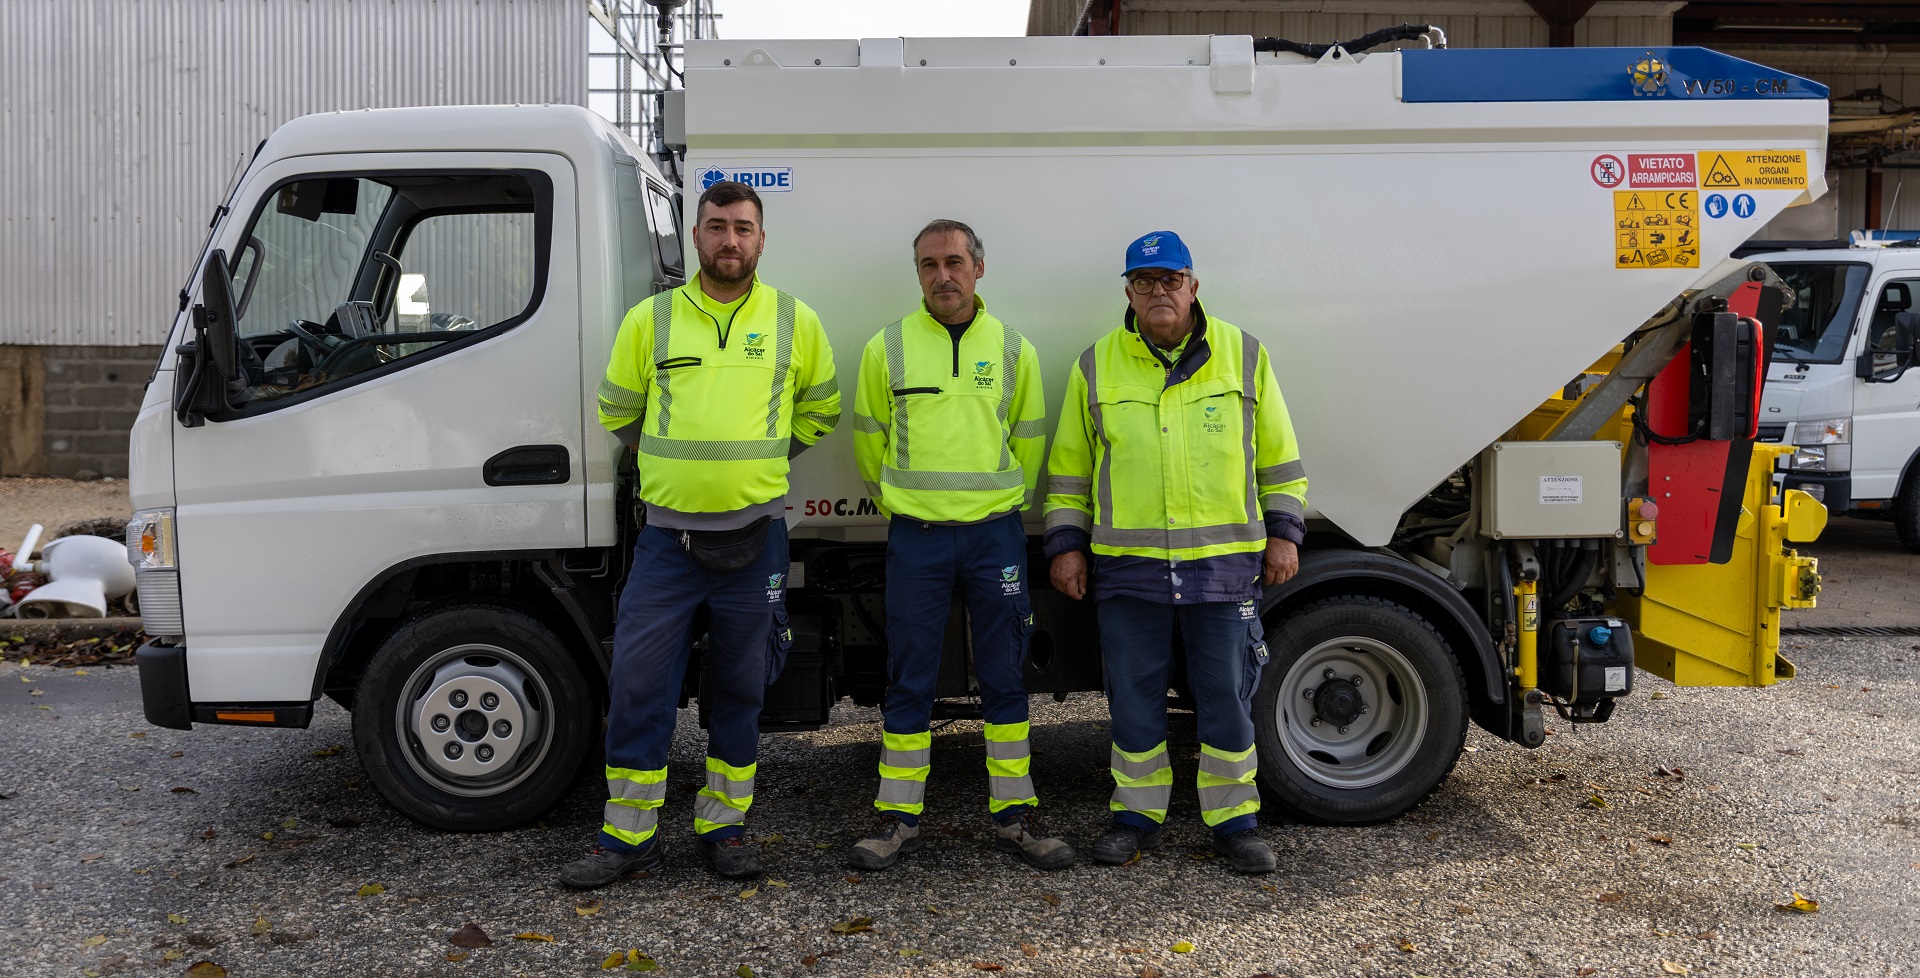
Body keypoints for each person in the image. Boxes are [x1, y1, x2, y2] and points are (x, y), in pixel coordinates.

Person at [560, 180, 840, 888]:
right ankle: (628, 836)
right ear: (696, 236)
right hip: (668, 544)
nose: (729, 240)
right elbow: (618, 410)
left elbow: (822, 410)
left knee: (741, 689)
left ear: (761, 239)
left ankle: (725, 826)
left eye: (743, 228)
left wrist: (760, 462)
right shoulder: (650, 320)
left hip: (757, 539)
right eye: (717, 227)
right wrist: (674, 464)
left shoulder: (795, 320)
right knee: (638, 685)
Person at [1043, 230, 1307, 875]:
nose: (1158, 291)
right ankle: (1135, 818)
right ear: (1129, 293)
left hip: (1223, 568)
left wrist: (1284, 533)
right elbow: (1069, 472)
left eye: (1171, 279)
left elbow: (1278, 458)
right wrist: (1066, 545)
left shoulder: (1244, 354)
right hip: (1128, 570)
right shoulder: (1095, 365)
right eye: (1144, 281)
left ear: (1193, 286)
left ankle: (1235, 824)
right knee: (1133, 700)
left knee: (1226, 699)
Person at [844, 219, 1072, 871]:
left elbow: (1028, 440)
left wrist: (998, 506)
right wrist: (903, 501)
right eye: (928, 265)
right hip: (915, 537)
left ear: (978, 268)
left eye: (953, 262)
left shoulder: (1013, 348)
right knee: (909, 677)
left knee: (1005, 674)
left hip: (993, 535)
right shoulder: (886, 347)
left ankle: (1015, 817)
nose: (941, 275)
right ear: (917, 273)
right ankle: (898, 820)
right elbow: (868, 441)